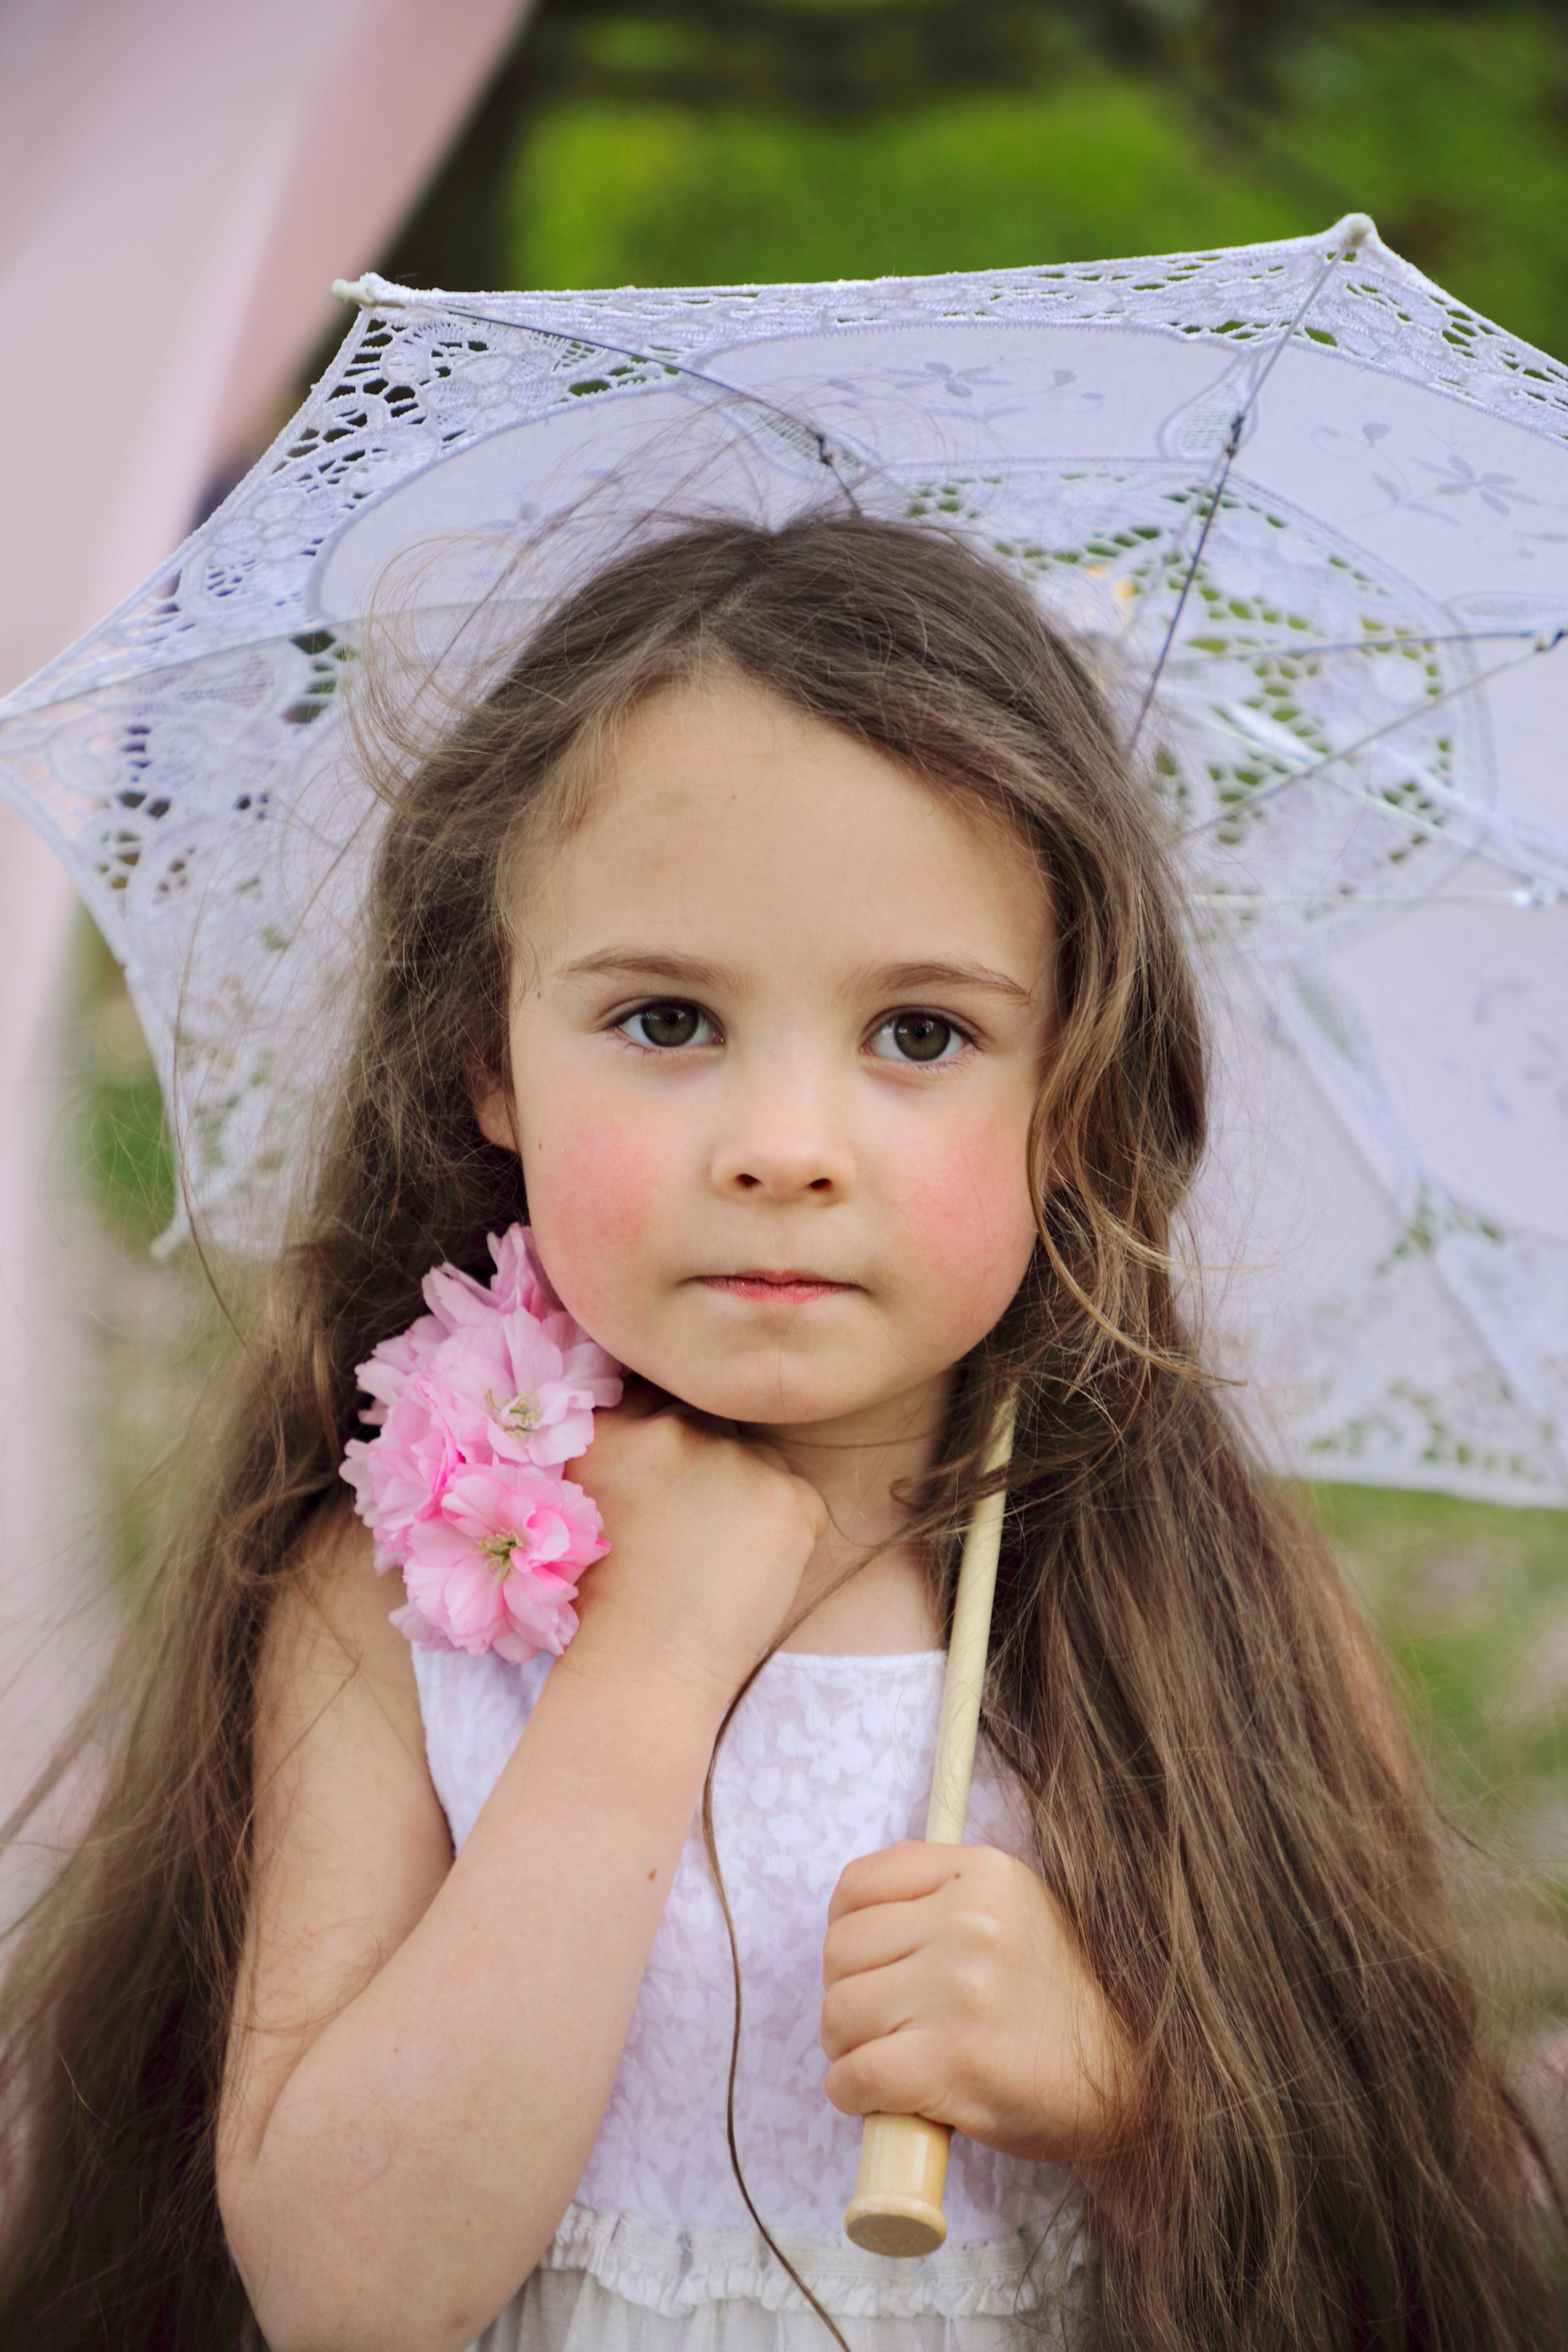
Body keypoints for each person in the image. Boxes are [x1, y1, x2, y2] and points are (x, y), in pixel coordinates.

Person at [0, 515, 1562, 2352]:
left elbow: (1394, 2220)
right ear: (485, 1054)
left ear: (1070, 1090)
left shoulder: (1193, 1600)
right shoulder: (397, 1607)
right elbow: (350, 2289)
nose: (788, 1142)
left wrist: (1135, 2087)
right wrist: (649, 1661)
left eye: (920, 1034)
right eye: (666, 1018)